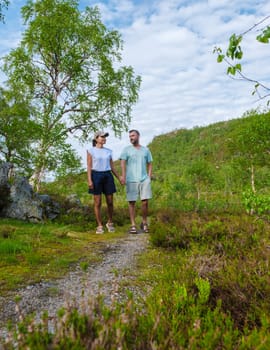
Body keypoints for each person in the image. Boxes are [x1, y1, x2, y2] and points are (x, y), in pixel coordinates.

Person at [87, 131, 121, 234]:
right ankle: (99, 225)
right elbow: (89, 166)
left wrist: (119, 177)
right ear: (96, 139)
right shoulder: (90, 151)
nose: (104, 138)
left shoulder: (109, 151)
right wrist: (89, 180)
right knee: (98, 202)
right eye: (102, 137)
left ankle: (110, 222)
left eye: (105, 137)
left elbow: (112, 167)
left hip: (107, 176)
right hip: (96, 175)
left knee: (110, 201)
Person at [120, 129, 153, 234]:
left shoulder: (145, 150)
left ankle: (144, 222)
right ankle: (133, 225)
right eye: (130, 136)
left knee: (145, 202)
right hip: (131, 179)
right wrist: (123, 176)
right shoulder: (126, 150)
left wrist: (149, 176)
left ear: (138, 136)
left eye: (133, 136)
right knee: (132, 202)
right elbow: (123, 163)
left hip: (144, 179)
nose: (131, 138)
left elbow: (150, 163)